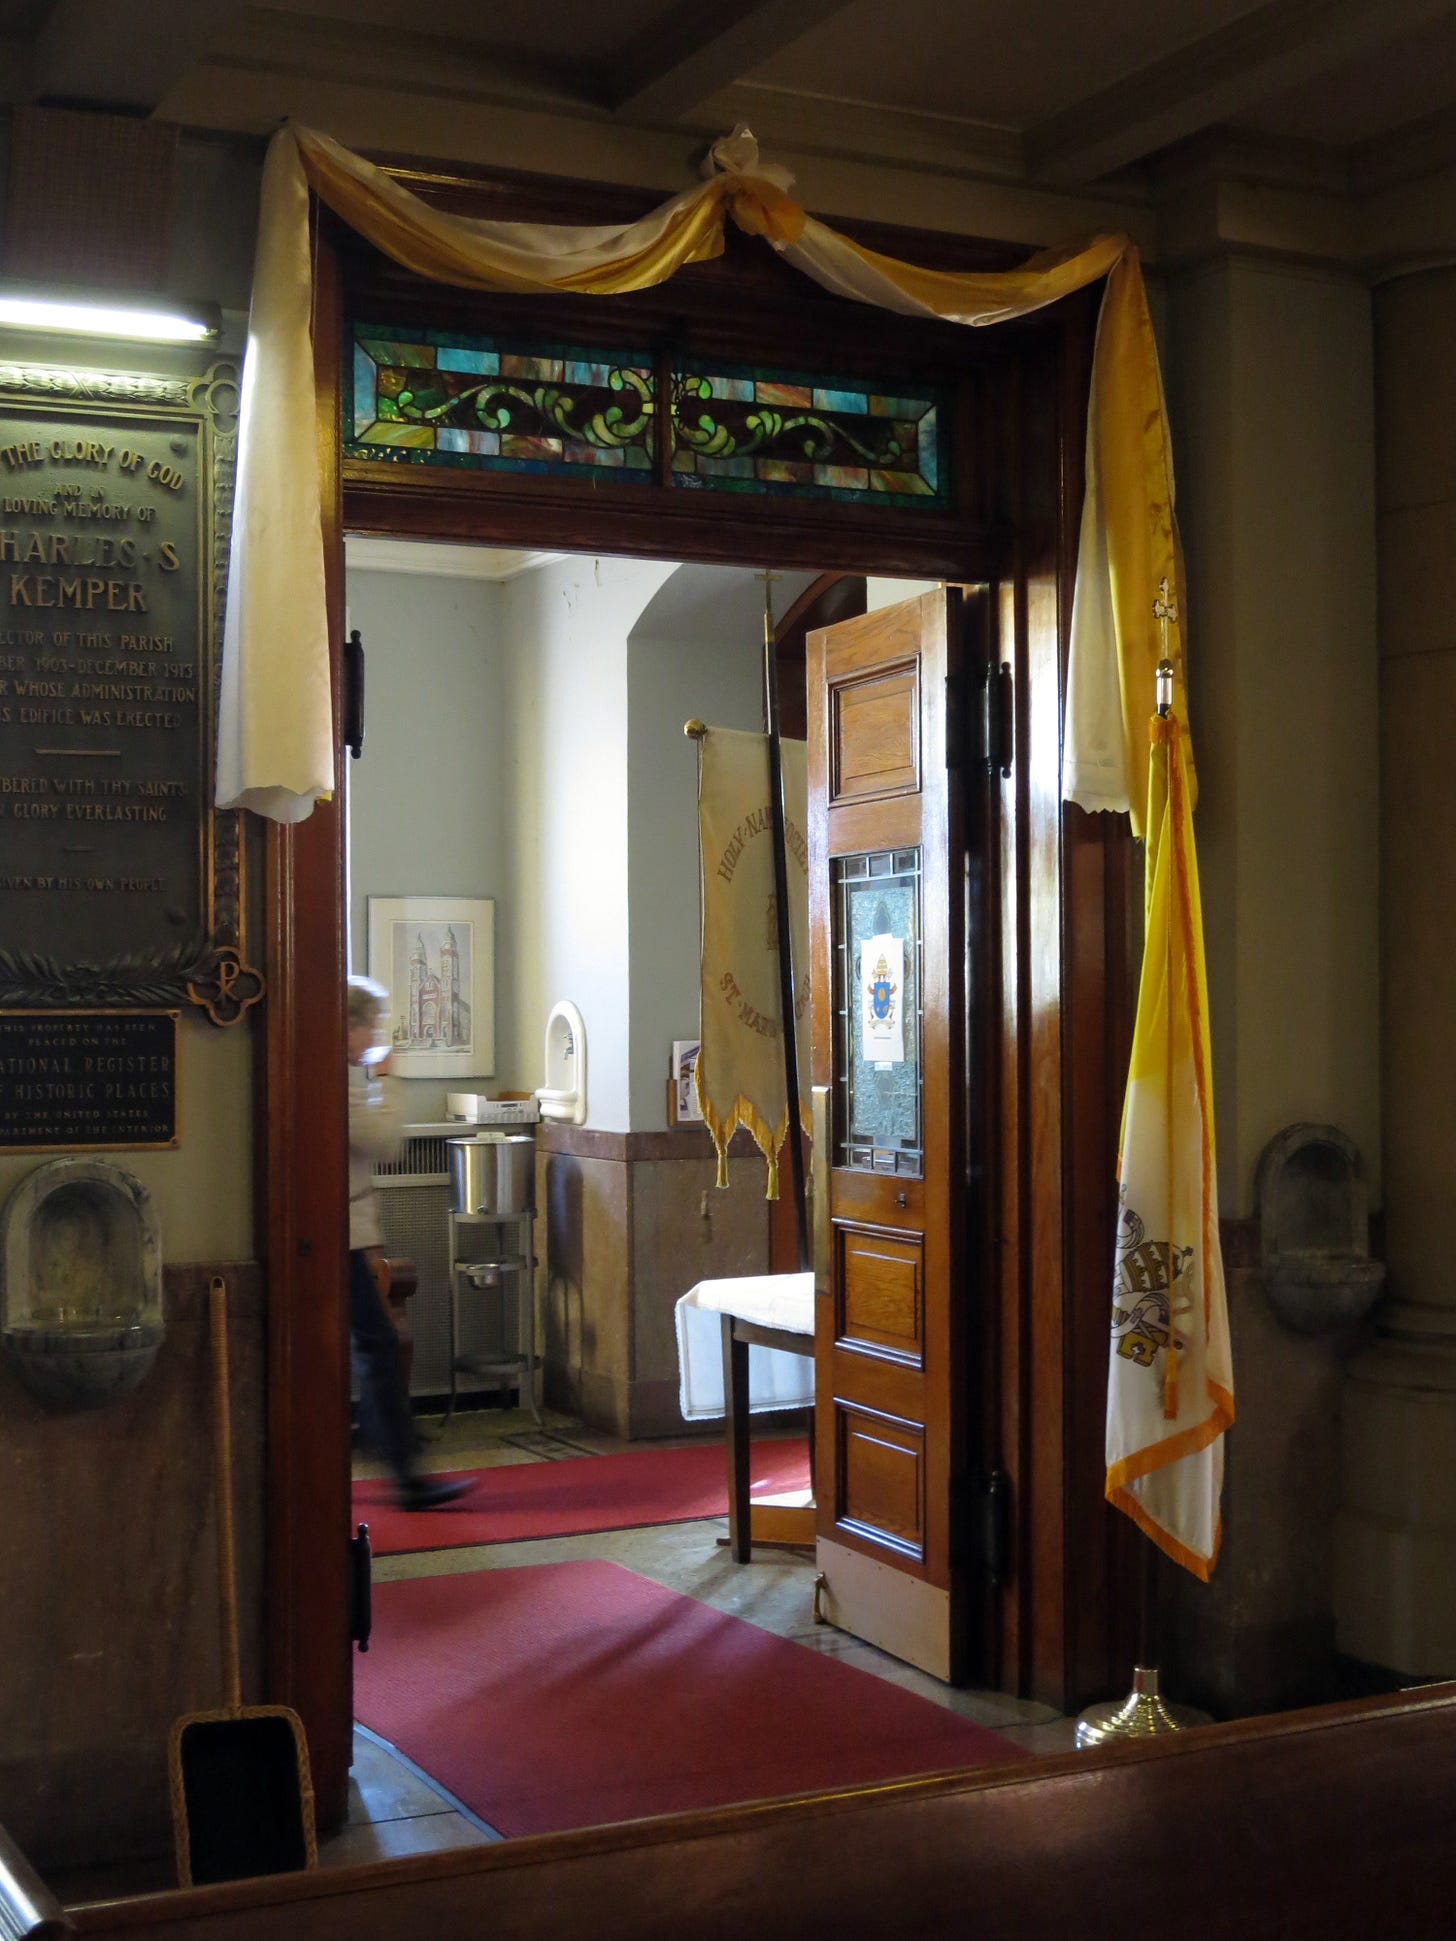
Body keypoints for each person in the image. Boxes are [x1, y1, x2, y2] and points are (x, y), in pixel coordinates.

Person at [347, 975, 472, 1511]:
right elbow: (384, 1142)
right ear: (348, 1025)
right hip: (336, 1235)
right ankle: (404, 1470)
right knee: (376, 1345)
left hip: (349, 1232)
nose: (373, 1034)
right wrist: (387, 1079)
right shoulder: (340, 1076)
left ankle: (391, 1444)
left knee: (373, 1344)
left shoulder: (345, 1075)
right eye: (369, 1024)